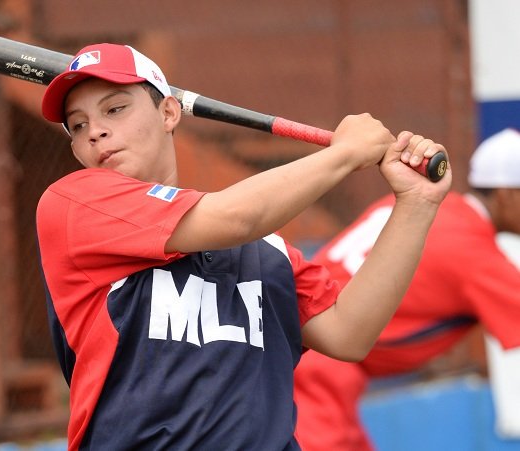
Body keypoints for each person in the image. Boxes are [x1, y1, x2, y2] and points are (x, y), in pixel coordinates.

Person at [35, 42, 451, 450]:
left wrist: (415, 204)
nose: (96, 132)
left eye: (115, 108)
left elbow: (349, 334)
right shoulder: (73, 206)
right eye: (78, 124)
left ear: (168, 112)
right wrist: (344, 154)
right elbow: (236, 217)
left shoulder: (265, 250)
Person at [293, 128, 520, 451]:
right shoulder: (474, 252)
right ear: (507, 194)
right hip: (316, 364)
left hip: (301, 342)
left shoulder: (420, 201)